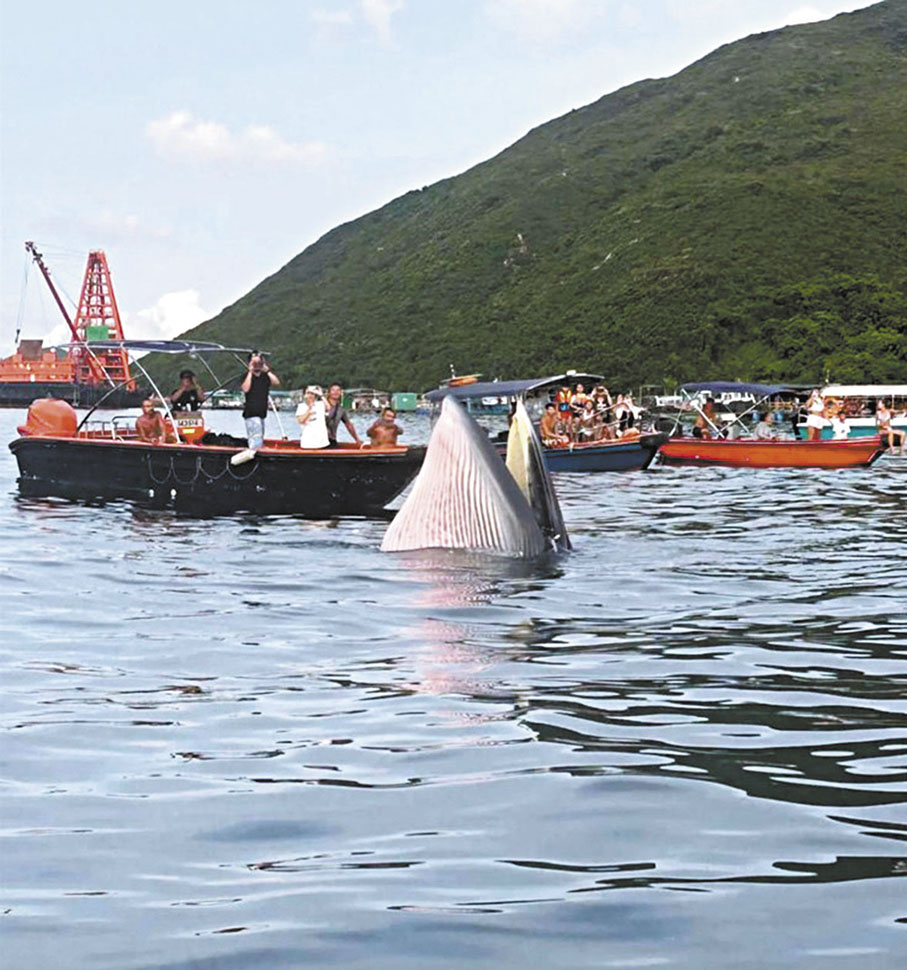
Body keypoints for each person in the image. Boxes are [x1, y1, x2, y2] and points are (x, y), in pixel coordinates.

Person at [241, 352, 280, 450]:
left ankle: (256, 452)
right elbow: (245, 389)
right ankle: (255, 455)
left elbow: (276, 382)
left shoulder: (265, 377)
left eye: (259, 361)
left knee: (259, 439)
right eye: (254, 362)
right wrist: (250, 371)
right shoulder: (246, 377)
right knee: (256, 442)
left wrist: (267, 370)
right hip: (251, 413)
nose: (257, 364)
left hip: (262, 413)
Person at [324, 383, 362, 447]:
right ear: (329, 393)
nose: (335, 392)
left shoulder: (340, 409)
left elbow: (348, 425)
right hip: (320, 440)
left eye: (338, 390)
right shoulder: (321, 406)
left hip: (332, 440)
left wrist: (357, 439)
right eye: (333, 390)